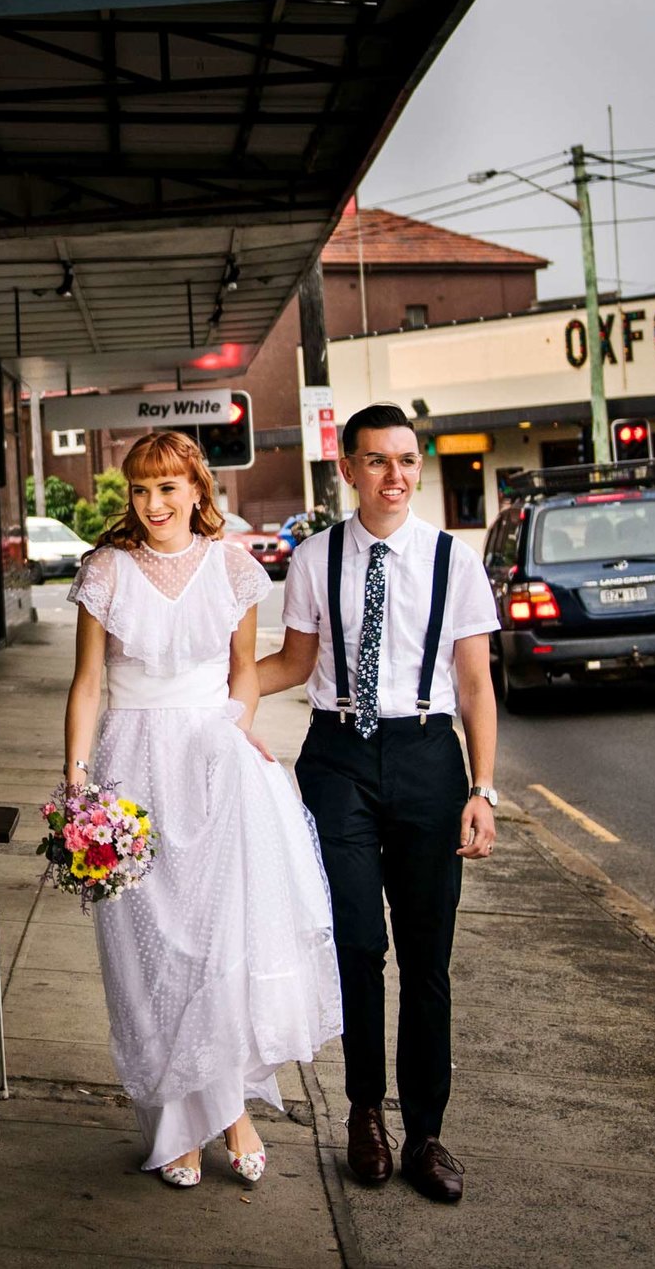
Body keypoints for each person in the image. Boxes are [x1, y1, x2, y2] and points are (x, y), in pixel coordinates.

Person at [63, 430, 342, 1189]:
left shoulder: (232, 568)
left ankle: (231, 1114)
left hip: (212, 761)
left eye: (167, 487)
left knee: (217, 950)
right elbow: (89, 684)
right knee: (148, 955)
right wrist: (78, 783)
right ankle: (180, 1123)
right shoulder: (106, 572)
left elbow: (245, 675)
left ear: (196, 489)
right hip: (129, 769)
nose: (153, 503)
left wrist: (234, 729)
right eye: (141, 489)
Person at [257, 403, 501, 1204]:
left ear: (417, 466)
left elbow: (474, 684)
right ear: (347, 468)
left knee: (427, 957)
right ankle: (367, 1114)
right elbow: (294, 662)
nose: (394, 475)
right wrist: (205, 693)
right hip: (340, 757)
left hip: (430, 756)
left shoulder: (452, 559)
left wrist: (482, 790)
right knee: (359, 943)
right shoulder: (315, 558)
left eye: (405, 460)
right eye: (376, 461)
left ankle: (427, 1132)